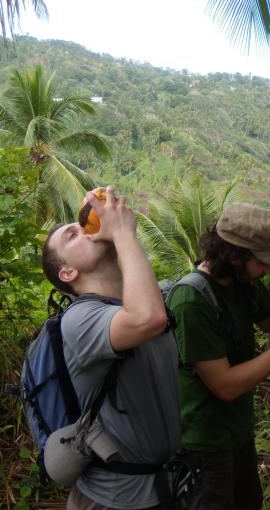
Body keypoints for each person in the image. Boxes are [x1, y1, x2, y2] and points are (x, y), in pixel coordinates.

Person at [165, 202, 270, 510]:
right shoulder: (191, 300)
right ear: (234, 256)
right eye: (262, 263)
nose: (268, 270)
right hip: (204, 444)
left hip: (238, 433)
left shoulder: (241, 281)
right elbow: (225, 386)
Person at [41, 186, 181, 509]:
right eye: (72, 235)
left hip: (166, 488)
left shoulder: (148, 296)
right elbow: (149, 319)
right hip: (112, 499)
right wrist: (122, 232)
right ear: (67, 272)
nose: (84, 227)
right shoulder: (78, 320)